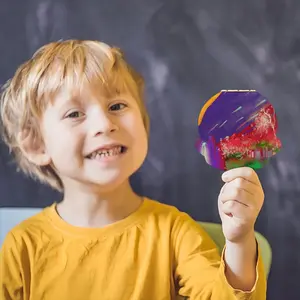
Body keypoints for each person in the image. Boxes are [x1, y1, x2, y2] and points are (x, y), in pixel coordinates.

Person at [0, 39, 266, 300]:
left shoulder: (174, 232)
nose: (104, 124)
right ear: (36, 144)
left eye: (117, 106)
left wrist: (240, 240)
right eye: (74, 114)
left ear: (143, 122)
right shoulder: (23, 246)